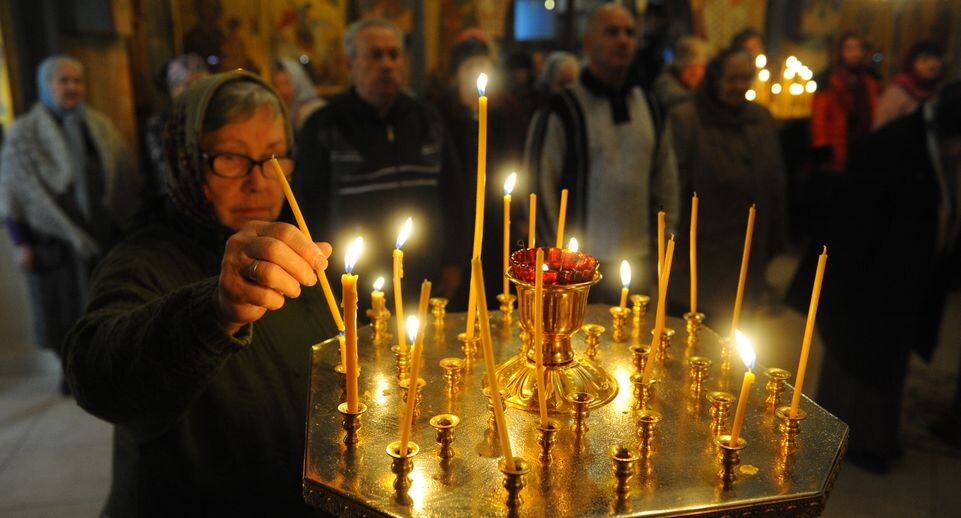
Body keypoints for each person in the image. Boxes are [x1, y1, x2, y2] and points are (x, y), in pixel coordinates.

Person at [62, 71, 338, 515]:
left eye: (274, 156)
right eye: (231, 158)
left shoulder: (297, 246)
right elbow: (93, 373)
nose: (259, 181)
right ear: (186, 161)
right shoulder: (142, 259)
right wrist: (216, 311)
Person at [787, 81, 961, 474]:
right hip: (866, 283)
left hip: (899, 284)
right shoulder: (892, 146)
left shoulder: (927, 142)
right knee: (855, 364)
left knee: (886, 364)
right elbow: (853, 225)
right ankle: (846, 441)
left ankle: (875, 439)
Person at [295, 19, 468, 311]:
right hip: (354, 283)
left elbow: (453, 194)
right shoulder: (325, 125)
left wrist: (453, 261)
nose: (387, 64)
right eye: (375, 55)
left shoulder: (429, 119)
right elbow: (309, 206)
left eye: (394, 54)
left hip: (425, 276)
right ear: (350, 64)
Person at [525, 4, 680, 301]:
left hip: (638, 257)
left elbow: (666, 180)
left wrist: (666, 243)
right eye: (612, 32)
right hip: (577, 265)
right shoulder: (563, 108)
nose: (623, 40)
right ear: (588, 42)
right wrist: (556, 260)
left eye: (630, 33)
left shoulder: (650, 106)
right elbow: (538, 185)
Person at [0, 55, 141, 359]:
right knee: (64, 315)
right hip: (55, 241)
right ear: (46, 85)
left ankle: (105, 366)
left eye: (78, 81)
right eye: (64, 81)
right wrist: (21, 242)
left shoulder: (99, 126)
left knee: (108, 306)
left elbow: (123, 178)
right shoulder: (25, 132)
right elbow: (12, 191)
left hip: (102, 234)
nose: (72, 87)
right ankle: (71, 370)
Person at [667, 48, 787, 322]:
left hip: (748, 247)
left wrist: (775, 238)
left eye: (746, 78)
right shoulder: (687, 119)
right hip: (702, 251)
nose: (740, 86)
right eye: (732, 79)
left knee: (737, 331)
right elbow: (676, 187)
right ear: (715, 80)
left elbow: (776, 180)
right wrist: (676, 248)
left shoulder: (760, 117)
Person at [810, 31, 879, 176]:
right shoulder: (829, 80)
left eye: (858, 48)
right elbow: (819, 117)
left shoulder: (869, 80)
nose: (854, 53)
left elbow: (874, 110)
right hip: (838, 145)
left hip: (863, 143)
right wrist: (822, 146)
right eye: (849, 48)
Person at [143, 53, 209, 200]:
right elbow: (166, 172)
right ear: (173, 90)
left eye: (201, 83)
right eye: (188, 84)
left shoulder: (214, 116)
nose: (196, 90)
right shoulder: (158, 125)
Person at [873, 40, 944, 130]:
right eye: (924, 60)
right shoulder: (898, 92)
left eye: (936, 59)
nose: (932, 65)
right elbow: (880, 129)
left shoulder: (938, 92)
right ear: (912, 63)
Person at [652, 36, 712, 112]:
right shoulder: (664, 83)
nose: (697, 73)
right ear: (678, 68)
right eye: (691, 68)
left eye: (701, 68)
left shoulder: (695, 86)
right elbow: (672, 100)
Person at [272, 56, 326, 131]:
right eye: (276, 85)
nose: (281, 90)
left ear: (297, 83)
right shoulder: (278, 111)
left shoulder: (314, 109)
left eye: (286, 84)